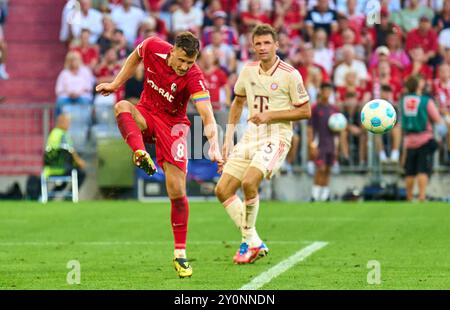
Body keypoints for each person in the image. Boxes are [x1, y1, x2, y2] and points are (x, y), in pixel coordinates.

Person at [95, 32, 223, 278]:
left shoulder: (194, 76)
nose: (185, 66)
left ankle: (180, 255)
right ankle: (140, 152)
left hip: (174, 127)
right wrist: (115, 84)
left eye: (190, 62)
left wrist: (214, 145)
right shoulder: (153, 46)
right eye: (182, 60)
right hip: (146, 114)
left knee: (177, 191)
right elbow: (135, 56)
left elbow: (206, 113)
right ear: (173, 50)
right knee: (122, 106)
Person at [214, 24, 311, 264]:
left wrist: (271, 115)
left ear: (276, 45)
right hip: (251, 135)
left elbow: (305, 111)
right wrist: (228, 139)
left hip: (276, 135)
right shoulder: (247, 71)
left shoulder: (290, 73)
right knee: (222, 190)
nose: (262, 47)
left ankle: (248, 243)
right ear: (252, 46)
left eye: (267, 43)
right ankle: (254, 240)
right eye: (258, 43)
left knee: (249, 182)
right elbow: (237, 103)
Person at [400, 75, 446, 201]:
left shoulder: (403, 100)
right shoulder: (425, 101)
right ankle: (422, 196)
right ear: (418, 85)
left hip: (409, 139)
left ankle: (409, 197)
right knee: (422, 169)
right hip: (424, 137)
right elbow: (437, 119)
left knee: (409, 170)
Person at [308, 82, 337, 202]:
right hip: (319, 143)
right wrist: (311, 144)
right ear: (321, 91)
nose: (327, 93)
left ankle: (325, 195)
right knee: (321, 169)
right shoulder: (315, 108)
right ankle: (315, 195)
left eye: (329, 90)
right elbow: (310, 128)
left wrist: (337, 146)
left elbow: (338, 129)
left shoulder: (333, 109)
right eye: (325, 90)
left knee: (328, 169)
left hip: (331, 143)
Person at [44, 114, 87, 191]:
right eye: (67, 122)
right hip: (61, 168)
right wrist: (79, 162)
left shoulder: (53, 133)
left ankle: (51, 197)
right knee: (81, 173)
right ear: (61, 122)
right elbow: (70, 151)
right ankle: (69, 198)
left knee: (65, 180)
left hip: (49, 169)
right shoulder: (62, 134)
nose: (69, 125)